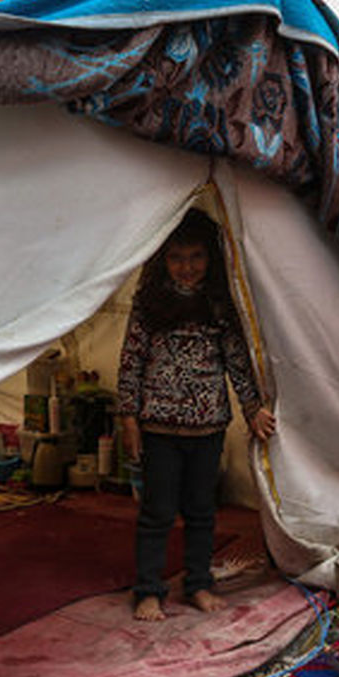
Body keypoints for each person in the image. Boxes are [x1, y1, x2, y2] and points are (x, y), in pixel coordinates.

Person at [117, 208, 276, 622]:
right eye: (176, 258)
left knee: (202, 511)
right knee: (157, 511)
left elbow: (238, 361)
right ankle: (148, 591)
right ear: (161, 260)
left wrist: (252, 407)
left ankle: (199, 584)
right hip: (158, 426)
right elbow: (131, 361)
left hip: (208, 427)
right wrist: (129, 418)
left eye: (196, 258)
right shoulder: (148, 303)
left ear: (211, 259)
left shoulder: (221, 304)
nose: (186, 268)